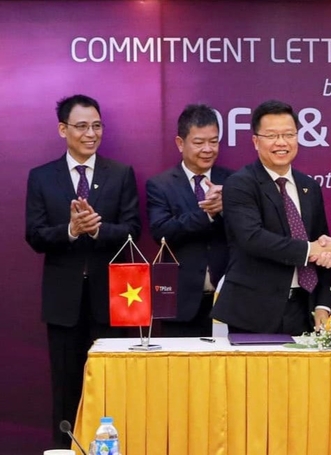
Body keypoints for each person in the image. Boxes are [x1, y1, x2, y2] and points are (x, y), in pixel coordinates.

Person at [25, 94, 141, 448]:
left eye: (97, 126)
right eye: (82, 126)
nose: (91, 134)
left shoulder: (120, 174)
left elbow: (134, 230)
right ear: (63, 129)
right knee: (66, 385)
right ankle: (64, 448)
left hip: (112, 301)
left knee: (110, 386)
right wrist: (72, 230)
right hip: (64, 303)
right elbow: (35, 235)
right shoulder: (42, 177)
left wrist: (98, 229)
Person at [210, 100, 331, 335]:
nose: (281, 142)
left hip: (304, 310)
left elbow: (322, 244)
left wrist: (323, 304)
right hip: (254, 312)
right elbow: (252, 238)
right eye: (271, 136)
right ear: (256, 142)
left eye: (288, 134)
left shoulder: (309, 186)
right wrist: (309, 250)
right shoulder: (240, 184)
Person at [146, 104, 233, 337]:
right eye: (199, 142)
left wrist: (227, 209)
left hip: (228, 301)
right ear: (180, 143)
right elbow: (161, 232)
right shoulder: (160, 185)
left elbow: (247, 232)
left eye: (213, 141)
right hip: (180, 303)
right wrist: (207, 214)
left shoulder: (234, 181)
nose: (208, 149)